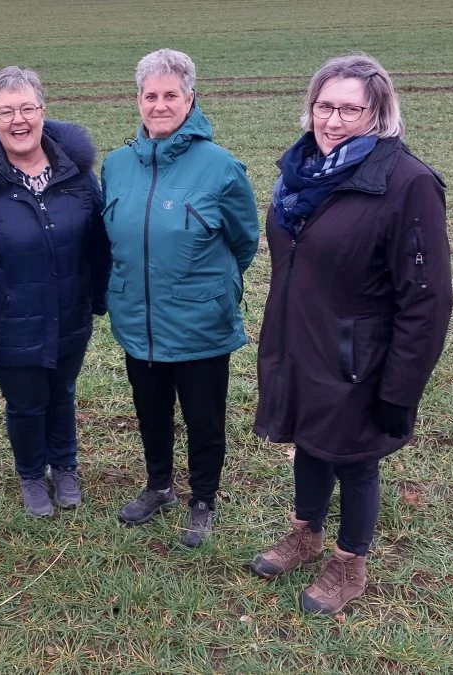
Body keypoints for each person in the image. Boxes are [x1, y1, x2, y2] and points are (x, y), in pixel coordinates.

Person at [251, 53, 453, 615]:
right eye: (324, 106)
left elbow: (426, 300)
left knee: (355, 458)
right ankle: (305, 533)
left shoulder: (406, 184)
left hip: (359, 357)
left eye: (349, 110)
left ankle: (348, 563)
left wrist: (399, 390)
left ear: (378, 114)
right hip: (300, 341)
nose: (333, 121)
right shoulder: (301, 172)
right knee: (309, 442)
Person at [100, 49, 260, 547]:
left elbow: (244, 240)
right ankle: (159, 486)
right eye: (151, 95)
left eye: (171, 95)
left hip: (199, 323)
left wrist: (211, 288)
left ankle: (203, 499)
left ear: (190, 99)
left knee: (203, 418)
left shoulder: (220, 168)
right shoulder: (116, 165)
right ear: (138, 100)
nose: (160, 105)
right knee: (150, 411)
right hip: (138, 319)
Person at [0, 66, 110, 518]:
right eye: (6, 111)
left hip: (69, 311)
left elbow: (98, 241)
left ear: (43, 111)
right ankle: (30, 474)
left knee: (62, 391)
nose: (18, 120)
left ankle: (65, 467)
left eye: (26, 108)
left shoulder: (76, 174)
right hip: (7, 317)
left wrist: (97, 299)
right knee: (26, 401)